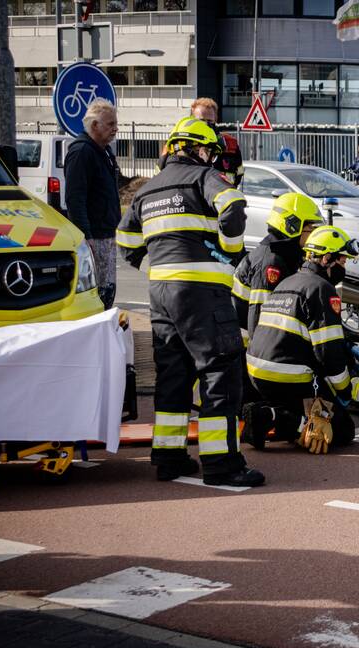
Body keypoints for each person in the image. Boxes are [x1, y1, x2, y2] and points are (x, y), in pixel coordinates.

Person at [117, 116, 264, 488]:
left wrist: (150, 261)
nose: (211, 158)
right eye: (209, 151)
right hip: (201, 293)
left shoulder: (148, 190)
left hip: (160, 292)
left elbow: (125, 239)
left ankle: (169, 457)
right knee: (219, 373)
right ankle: (222, 465)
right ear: (199, 149)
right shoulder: (203, 176)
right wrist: (228, 251)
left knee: (174, 376)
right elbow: (233, 206)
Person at [243, 226, 359, 454]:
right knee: (342, 430)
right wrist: (343, 392)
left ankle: (271, 414)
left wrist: (346, 346)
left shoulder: (288, 281)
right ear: (326, 258)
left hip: (257, 372)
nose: (344, 266)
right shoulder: (322, 289)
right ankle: (273, 418)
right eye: (342, 260)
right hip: (289, 375)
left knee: (298, 405)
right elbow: (328, 354)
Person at [233, 192, 324, 447]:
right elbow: (258, 322)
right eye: (310, 228)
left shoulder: (281, 254)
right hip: (245, 356)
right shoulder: (271, 261)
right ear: (292, 226)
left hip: (249, 355)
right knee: (298, 416)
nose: (313, 235)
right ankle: (266, 412)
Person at [65, 98, 121, 309]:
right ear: (94, 125)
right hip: (94, 236)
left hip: (106, 233)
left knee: (107, 290)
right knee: (97, 293)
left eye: (115, 123)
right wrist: (85, 236)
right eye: (110, 124)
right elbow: (74, 198)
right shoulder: (82, 152)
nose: (115, 129)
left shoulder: (104, 151)